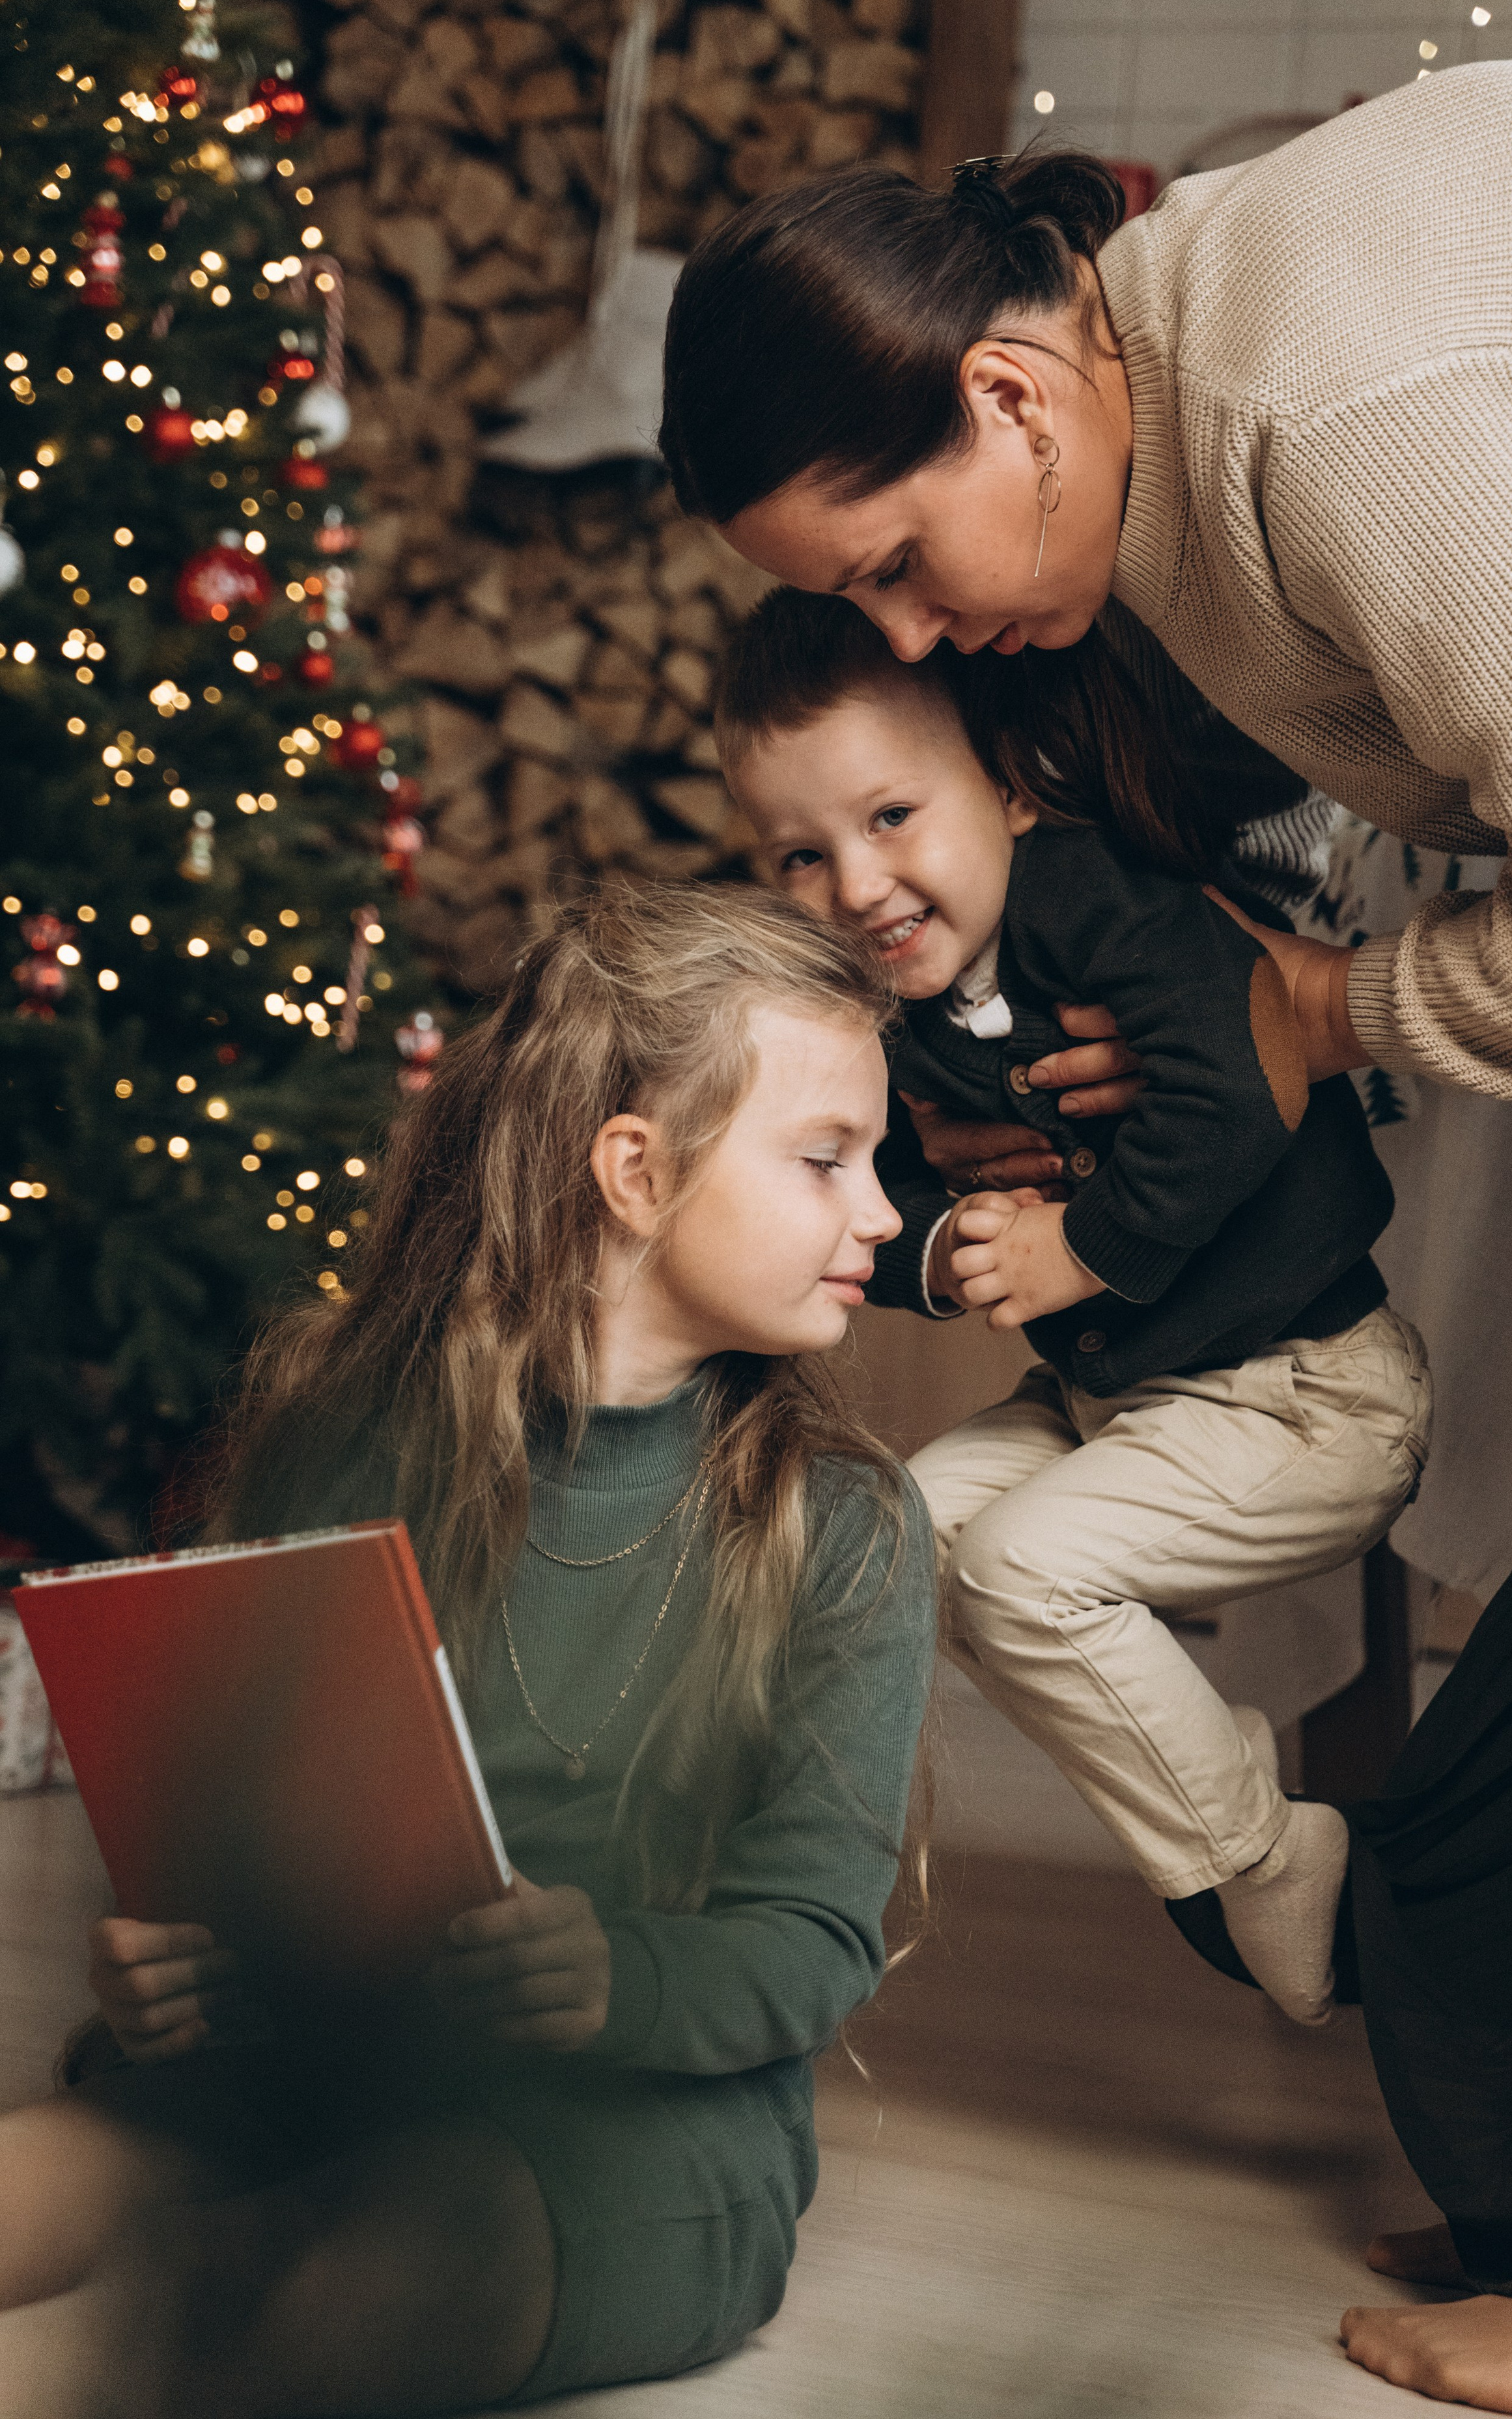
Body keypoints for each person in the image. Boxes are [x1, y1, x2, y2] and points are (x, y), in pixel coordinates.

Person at [658, 61, 1512, 2414]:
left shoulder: (1329, 398)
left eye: (896, 563)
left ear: (1010, 390)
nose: (916, 623)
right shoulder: (1173, 391)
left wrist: (1325, 1009)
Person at [0, 881, 937, 2416]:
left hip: (627, 2133)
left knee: (237, 2305)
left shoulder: (845, 1524)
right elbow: (247, 1837)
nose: (883, 1212)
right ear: (634, 1170)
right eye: (828, 1159)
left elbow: (811, 1946)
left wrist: (610, 1976)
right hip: (315, 2059)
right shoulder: (348, 1433)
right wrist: (165, 1970)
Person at [717, 583, 1429, 2028]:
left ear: (1004, 789)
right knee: (896, 1536)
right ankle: (1194, 1826)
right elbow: (894, 1184)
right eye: (799, 854)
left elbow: (1242, 1086)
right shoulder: (881, 1004)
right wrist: (938, 1246)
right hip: (1115, 1403)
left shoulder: (1102, 901)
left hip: (1302, 1393)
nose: (855, 886)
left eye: (890, 818)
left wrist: (1078, 1248)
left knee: (1023, 1572)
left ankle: (1261, 1853)